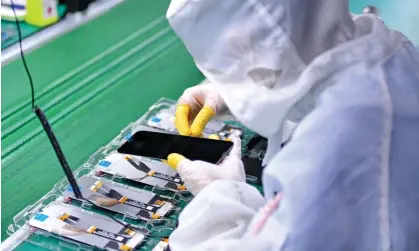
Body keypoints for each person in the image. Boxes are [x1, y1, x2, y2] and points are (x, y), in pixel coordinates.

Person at [165, 0, 419, 250]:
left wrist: (217, 199)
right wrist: (250, 91)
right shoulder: (383, 49)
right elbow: (306, 53)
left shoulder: (342, 135)